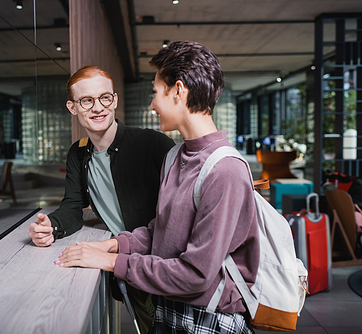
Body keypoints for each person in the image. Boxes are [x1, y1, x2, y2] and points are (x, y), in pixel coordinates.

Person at [55, 41, 260, 334]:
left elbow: (196, 275)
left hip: (207, 320)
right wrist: (113, 244)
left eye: (155, 92)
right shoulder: (176, 156)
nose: (152, 105)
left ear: (178, 91)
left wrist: (112, 261)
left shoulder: (225, 169)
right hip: (171, 311)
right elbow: (160, 231)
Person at [28, 65, 175, 333]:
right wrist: (52, 226)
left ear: (115, 100)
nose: (98, 107)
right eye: (87, 100)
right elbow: (73, 206)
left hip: (164, 266)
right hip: (127, 267)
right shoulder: (79, 153)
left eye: (105, 98)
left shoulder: (151, 143)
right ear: (73, 108)